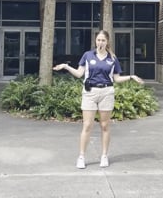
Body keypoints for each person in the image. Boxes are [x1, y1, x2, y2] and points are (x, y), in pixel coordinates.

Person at [53, 30, 145, 169]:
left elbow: (117, 78)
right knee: (87, 125)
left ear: (107, 42)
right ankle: (81, 156)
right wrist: (65, 66)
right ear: (95, 41)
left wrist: (131, 77)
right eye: (98, 40)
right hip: (90, 93)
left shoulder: (112, 58)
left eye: (103, 40)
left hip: (107, 92)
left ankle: (104, 156)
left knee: (104, 126)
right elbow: (79, 74)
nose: (100, 42)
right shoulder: (88, 55)